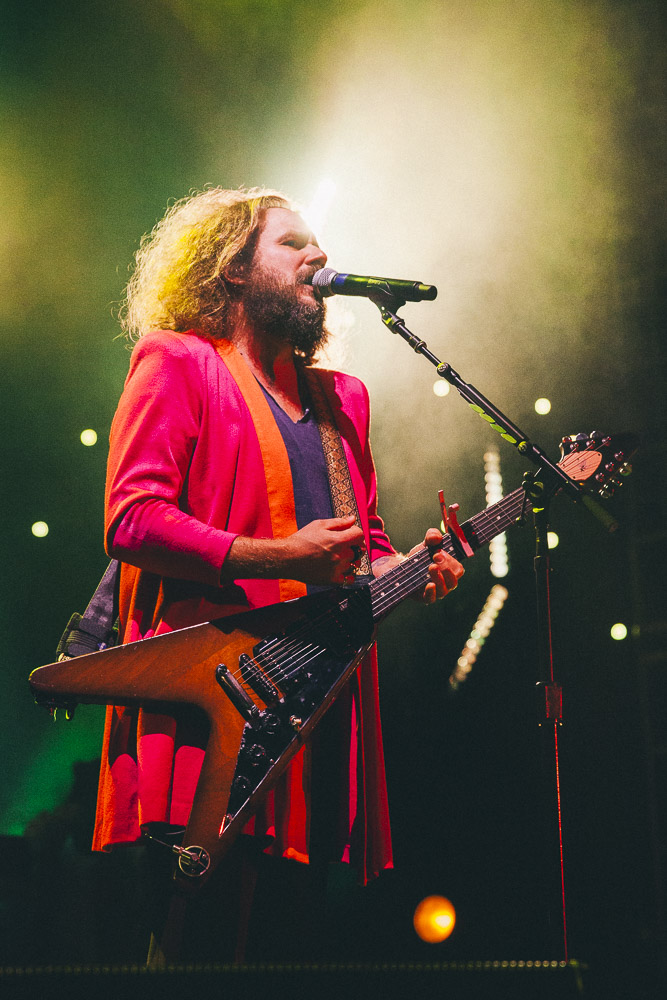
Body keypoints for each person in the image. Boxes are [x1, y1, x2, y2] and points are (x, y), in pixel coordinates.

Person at [93, 187, 463, 963]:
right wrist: (277, 555)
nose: (317, 256)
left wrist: (413, 567)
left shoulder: (344, 402)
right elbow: (131, 518)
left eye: (316, 244)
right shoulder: (178, 362)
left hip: (316, 711)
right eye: (292, 243)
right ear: (231, 267)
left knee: (290, 944)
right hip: (211, 701)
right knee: (197, 940)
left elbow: (361, 551)